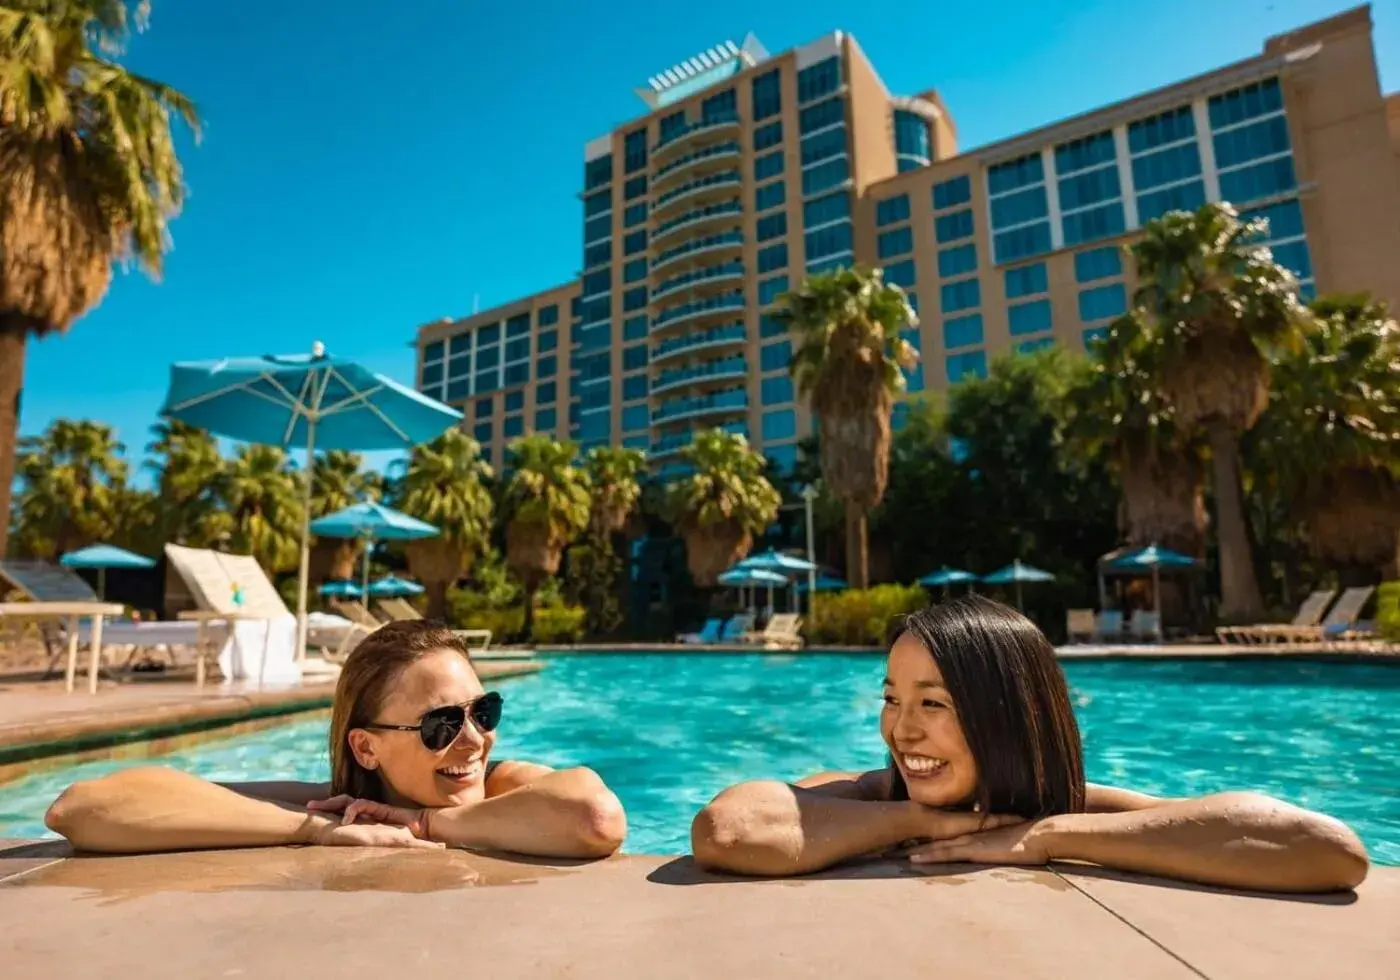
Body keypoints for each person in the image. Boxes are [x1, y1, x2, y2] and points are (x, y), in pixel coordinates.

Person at [691, 595, 1369, 893]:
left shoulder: (1075, 809)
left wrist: (1050, 836)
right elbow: (727, 829)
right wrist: (921, 820)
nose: (902, 731)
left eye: (934, 703)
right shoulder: (869, 795)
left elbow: (1330, 851)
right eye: (892, 700)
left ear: (1008, 714)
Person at [46, 621, 626, 859]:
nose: (474, 741)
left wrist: (422, 824)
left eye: (484, 710)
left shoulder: (507, 787)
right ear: (366, 748)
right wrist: (314, 830)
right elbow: (79, 808)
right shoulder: (336, 804)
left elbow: (595, 817)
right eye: (441, 724)